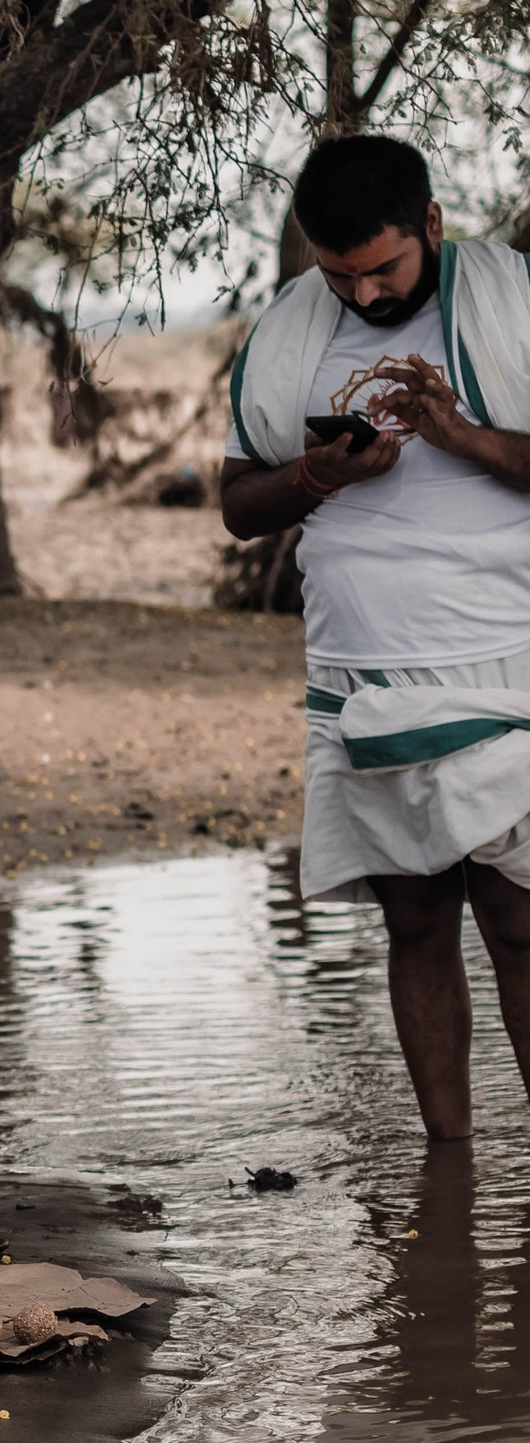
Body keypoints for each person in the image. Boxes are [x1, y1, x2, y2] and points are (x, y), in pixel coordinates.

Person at [220, 133, 530, 1138]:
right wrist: (322, 474)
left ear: (430, 223)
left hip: (507, 657)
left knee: (521, 921)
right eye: (338, 274)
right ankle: (450, 1164)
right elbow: (239, 504)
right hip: (360, 669)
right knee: (416, 919)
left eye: (383, 269)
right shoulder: (290, 332)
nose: (362, 295)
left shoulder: (515, 303)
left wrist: (460, 436)